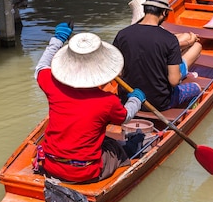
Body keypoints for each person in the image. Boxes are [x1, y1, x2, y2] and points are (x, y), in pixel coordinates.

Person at [34, 24, 147, 183]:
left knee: (103, 139)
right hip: (85, 172)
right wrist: (136, 99)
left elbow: (41, 68)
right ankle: (131, 148)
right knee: (114, 148)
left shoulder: (53, 85)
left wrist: (57, 39)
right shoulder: (108, 101)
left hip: (50, 165)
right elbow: (126, 116)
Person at [113, 0, 202, 111]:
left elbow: (117, 72)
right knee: (196, 88)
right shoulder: (169, 40)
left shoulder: (122, 34)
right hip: (160, 103)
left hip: (127, 99)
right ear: (164, 12)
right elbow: (174, 81)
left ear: (145, 10)